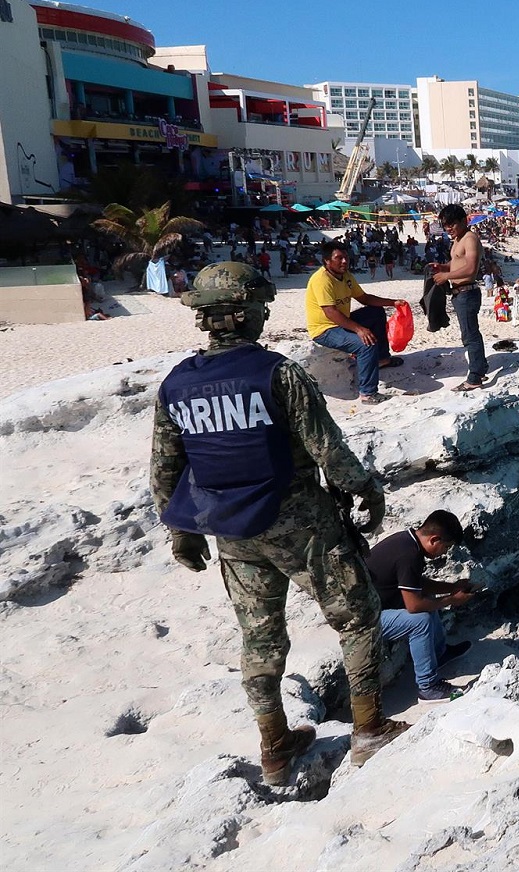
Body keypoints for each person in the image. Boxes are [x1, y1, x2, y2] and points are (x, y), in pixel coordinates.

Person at [150, 262, 407, 785]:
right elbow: (327, 448)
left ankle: (275, 747)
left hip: (232, 532)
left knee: (260, 639)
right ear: (247, 314)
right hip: (303, 526)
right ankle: (368, 729)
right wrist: (366, 490)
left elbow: (166, 468)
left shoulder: (177, 384)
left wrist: (181, 531)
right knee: (357, 617)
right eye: (263, 307)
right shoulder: (278, 373)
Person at [366, 510, 475, 703]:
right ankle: (428, 687)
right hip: (365, 619)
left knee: (427, 599)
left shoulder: (406, 541)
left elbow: (417, 584)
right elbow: (414, 606)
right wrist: (452, 600)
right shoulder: (409, 555)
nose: (445, 552)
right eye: (446, 547)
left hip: (375, 604)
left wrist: (452, 588)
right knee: (420, 620)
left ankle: (439, 654)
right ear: (435, 539)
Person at [306, 241, 406, 405]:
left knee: (376, 312)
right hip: (325, 329)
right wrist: (359, 329)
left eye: (345, 257)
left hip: (341, 321)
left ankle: (381, 360)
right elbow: (330, 312)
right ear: (327, 261)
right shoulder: (321, 280)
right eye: (339, 258)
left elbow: (364, 298)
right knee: (366, 343)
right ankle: (368, 393)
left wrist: (392, 302)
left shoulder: (346, 276)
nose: (345, 261)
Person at [428, 205, 489, 392]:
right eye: (446, 225)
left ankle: (475, 377)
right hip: (460, 293)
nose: (448, 228)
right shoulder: (458, 240)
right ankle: (481, 367)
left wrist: (446, 277)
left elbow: (471, 269)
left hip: (467, 292)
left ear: (464, 221)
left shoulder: (470, 238)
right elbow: (457, 263)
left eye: (452, 224)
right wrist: (443, 267)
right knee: (470, 333)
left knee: (470, 335)